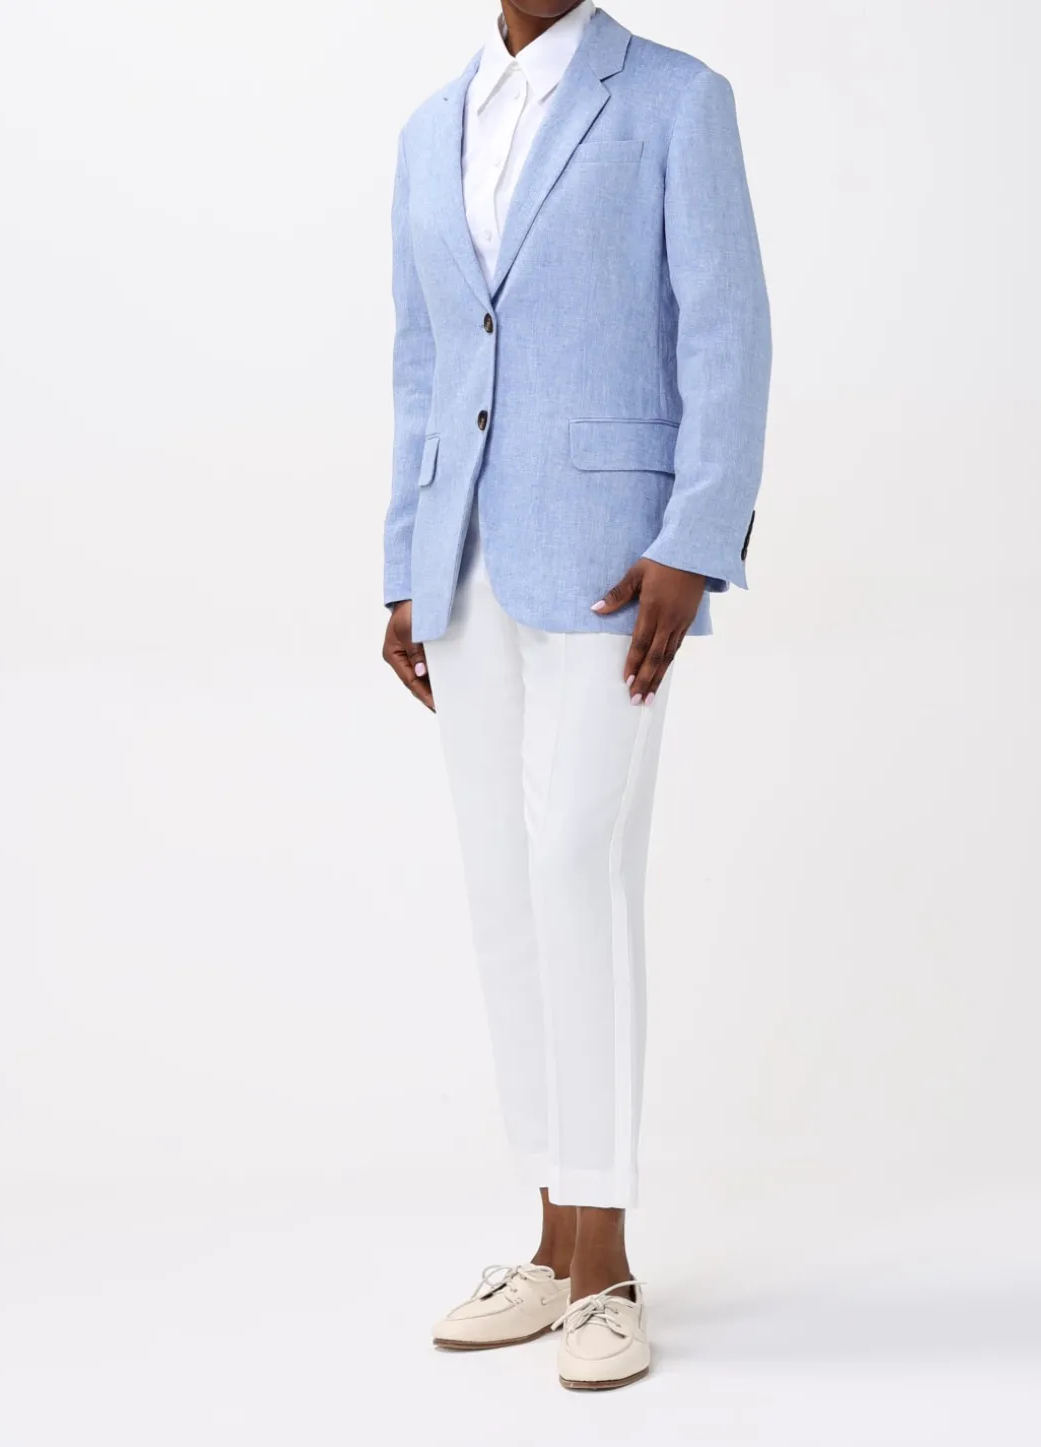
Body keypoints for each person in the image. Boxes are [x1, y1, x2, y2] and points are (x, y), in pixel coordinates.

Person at [381, 0, 770, 1390]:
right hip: (464, 561)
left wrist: (695, 537)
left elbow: (726, 329)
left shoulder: (675, 99)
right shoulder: (431, 127)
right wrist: (402, 568)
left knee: (577, 865)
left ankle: (607, 1263)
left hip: (619, 561)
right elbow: (423, 362)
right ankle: (549, 1241)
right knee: (502, 880)